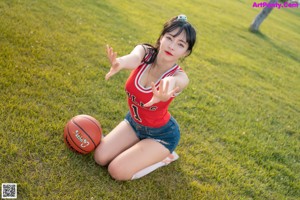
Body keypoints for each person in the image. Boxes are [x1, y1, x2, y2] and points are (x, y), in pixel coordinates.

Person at [94, 14, 196, 181]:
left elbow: (175, 81)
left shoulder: (179, 76)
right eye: (169, 38)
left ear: (186, 52)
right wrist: (120, 62)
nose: (171, 46)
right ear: (161, 37)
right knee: (100, 157)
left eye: (180, 44)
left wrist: (166, 87)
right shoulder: (146, 53)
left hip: (162, 135)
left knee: (116, 171)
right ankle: (139, 148)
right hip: (134, 123)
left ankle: (164, 158)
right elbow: (134, 58)